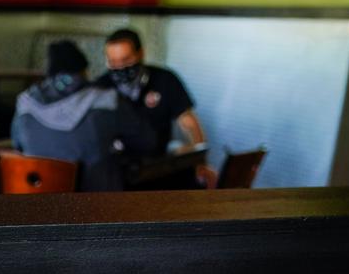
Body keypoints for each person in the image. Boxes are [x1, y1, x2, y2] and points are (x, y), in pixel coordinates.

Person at [11, 40, 155, 192]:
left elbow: (18, 146)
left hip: (40, 207)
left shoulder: (25, 103)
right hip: (96, 207)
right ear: (83, 70)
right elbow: (148, 142)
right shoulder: (107, 101)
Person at [97, 28, 205, 156]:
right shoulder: (100, 88)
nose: (120, 68)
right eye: (113, 62)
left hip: (158, 163)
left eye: (125, 60)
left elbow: (188, 121)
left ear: (140, 54)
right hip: (116, 165)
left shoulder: (165, 79)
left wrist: (198, 154)